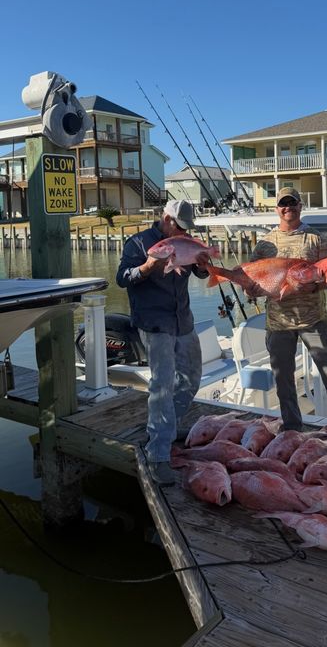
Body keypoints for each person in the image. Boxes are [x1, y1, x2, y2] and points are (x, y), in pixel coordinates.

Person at [250, 187, 327, 455]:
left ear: (300, 206)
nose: (288, 207)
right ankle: (292, 433)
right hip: (278, 323)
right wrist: (248, 288)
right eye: (283, 203)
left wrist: (314, 287)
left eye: (293, 202)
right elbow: (250, 278)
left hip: (314, 321)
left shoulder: (316, 239)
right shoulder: (264, 244)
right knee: (284, 383)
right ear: (276, 209)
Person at [116, 200, 209, 486]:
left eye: (186, 228)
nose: (183, 232)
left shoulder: (187, 242)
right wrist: (146, 267)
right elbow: (122, 279)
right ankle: (157, 455)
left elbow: (201, 273)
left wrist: (204, 264)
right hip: (155, 323)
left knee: (192, 377)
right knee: (162, 385)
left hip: (183, 319)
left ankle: (166, 429)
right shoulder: (139, 243)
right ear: (166, 218)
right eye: (180, 226)